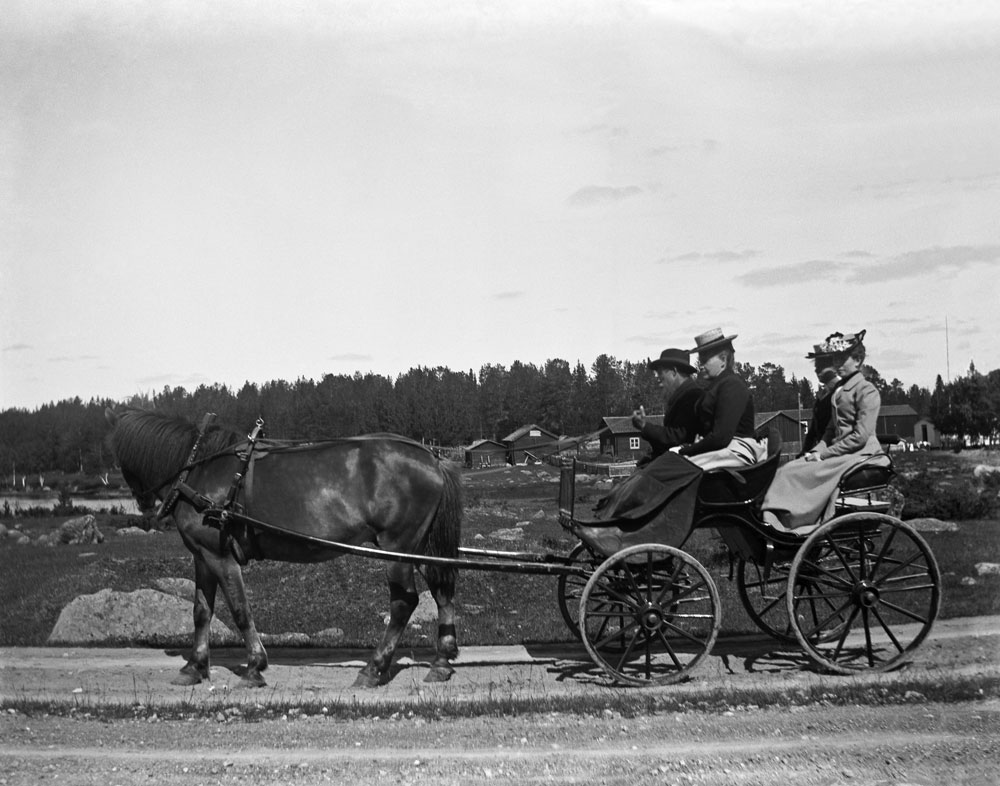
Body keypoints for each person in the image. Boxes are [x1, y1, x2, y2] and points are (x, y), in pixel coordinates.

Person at [761, 329, 886, 531]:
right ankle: (777, 517)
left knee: (796, 474)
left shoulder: (867, 391)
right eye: (835, 359)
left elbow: (860, 436)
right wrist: (816, 451)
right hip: (842, 452)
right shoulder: (839, 392)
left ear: (858, 360)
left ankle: (795, 521)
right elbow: (829, 431)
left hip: (862, 454)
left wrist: (824, 455)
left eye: (842, 359)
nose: (837, 364)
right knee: (789, 469)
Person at [677, 328, 767, 470]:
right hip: (721, 450)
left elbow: (721, 437)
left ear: (723, 359)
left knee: (675, 470)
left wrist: (686, 450)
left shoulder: (732, 385)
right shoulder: (717, 386)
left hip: (735, 451)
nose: (700, 365)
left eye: (705, 360)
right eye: (700, 360)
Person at [631, 347, 702, 466]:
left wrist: (645, 426)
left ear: (674, 371)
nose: (657, 377)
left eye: (660, 373)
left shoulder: (692, 396)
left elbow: (679, 437)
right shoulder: (682, 396)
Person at [801, 344, 842, 455]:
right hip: (821, 450)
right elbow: (814, 429)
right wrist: (805, 451)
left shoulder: (841, 391)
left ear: (834, 367)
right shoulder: (823, 394)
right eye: (816, 366)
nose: (816, 371)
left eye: (821, 366)